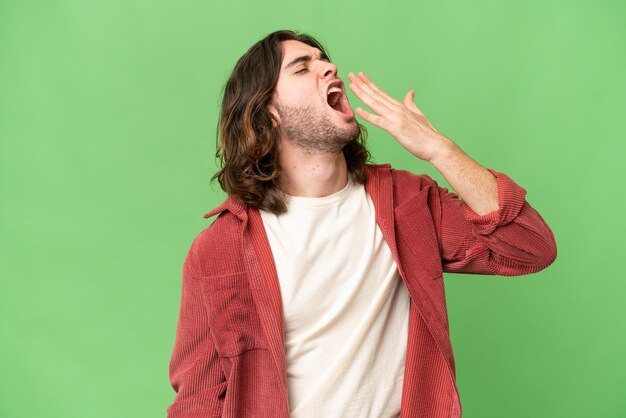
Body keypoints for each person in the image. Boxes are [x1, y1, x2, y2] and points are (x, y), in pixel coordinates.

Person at [166, 29, 557, 418]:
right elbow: (196, 399)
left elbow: (529, 246)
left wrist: (439, 149)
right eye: (303, 68)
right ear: (269, 112)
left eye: (323, 59)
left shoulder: (406, 203)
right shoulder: (220, 249)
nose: (328, 66)